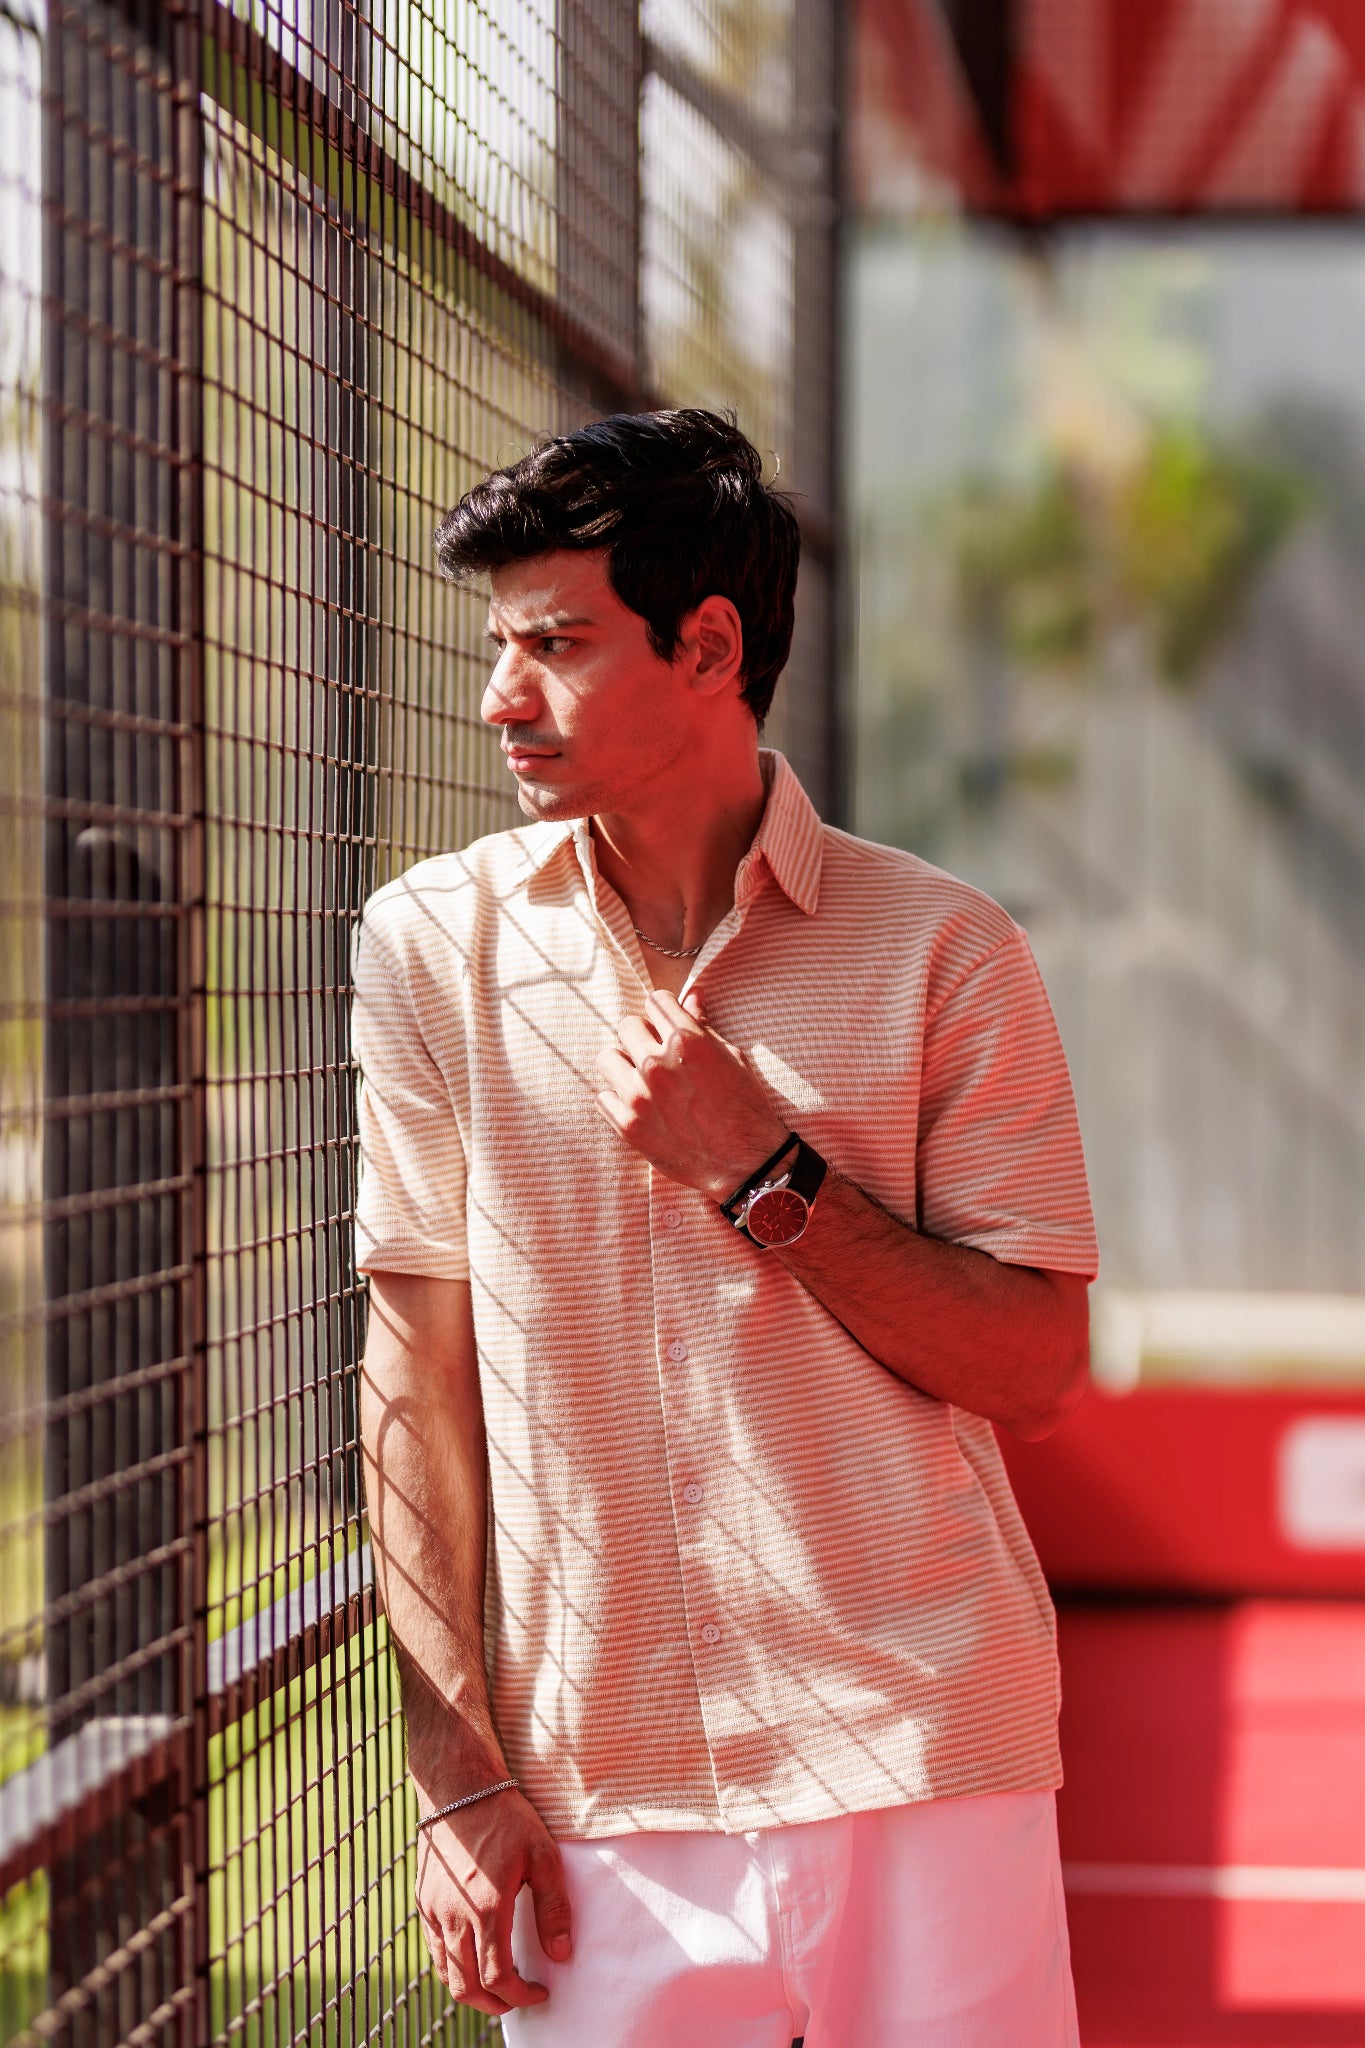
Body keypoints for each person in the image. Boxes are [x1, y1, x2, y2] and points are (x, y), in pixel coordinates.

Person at [350, 408, 1097, 2047]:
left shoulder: (943, 953)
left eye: (555, 644)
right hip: (599, 1796)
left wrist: (763, 1172)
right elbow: (416, 1378)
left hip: (922, 1752)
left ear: (707, 645)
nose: (500, 697)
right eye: (497, 644)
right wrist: (453, 1775)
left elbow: (1035, 1366)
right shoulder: (429, 949)